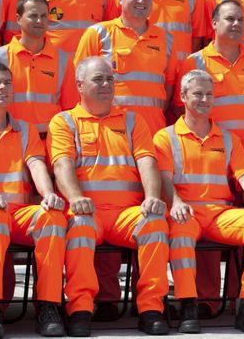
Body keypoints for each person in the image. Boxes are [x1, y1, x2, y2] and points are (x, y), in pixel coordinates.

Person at [48, 56, 170, 336]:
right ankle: (80, 309)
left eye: (110, 79)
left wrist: (152, 196)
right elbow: (61, 164)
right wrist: (76, 197)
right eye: (98, 79)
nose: (106, 84)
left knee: (155, 223)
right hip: (87, 212)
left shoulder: (132, 120)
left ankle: (151, 309)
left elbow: (147, 161)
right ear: (79, 85)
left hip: (126, 215)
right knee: (79, 228)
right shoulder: (64, 122)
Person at [155, 69, 244, 333]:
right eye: (197, 94)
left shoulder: (227, 138)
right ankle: (188, 304)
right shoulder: (164, 137)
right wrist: (175, 201)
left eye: (209, 94)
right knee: (180, 232)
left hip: (220, 213)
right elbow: (163, 178)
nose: (204, 99)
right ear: (183, 97)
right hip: (185, 211)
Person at [0, 62, 68, 337]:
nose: (3, 88)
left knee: (52, 217)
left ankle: (49, 305)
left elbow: (36, 164)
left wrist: (49, 194)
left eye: (7, 83)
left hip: (18, 214)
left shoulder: (25, 129)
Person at [75, 0, 178, 136]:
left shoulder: (166, 39)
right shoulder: (97, 34)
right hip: (109, 131)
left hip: (153, 130)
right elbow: (80, 85)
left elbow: (168, 88)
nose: (141, 1)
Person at [176, 0, 244, 145]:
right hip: (212, 150)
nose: (236, 24)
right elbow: (180, 108)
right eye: (230, 19)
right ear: (214, 23)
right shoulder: (194, 62)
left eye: (240, 20)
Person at [0, 0, 78, 138]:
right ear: (18, 19)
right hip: (8, 139)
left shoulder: (63, 60)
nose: (39, 21)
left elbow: (70, 109)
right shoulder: (1, 57)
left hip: (49, 141)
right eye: (33, 16)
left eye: (44, 16)